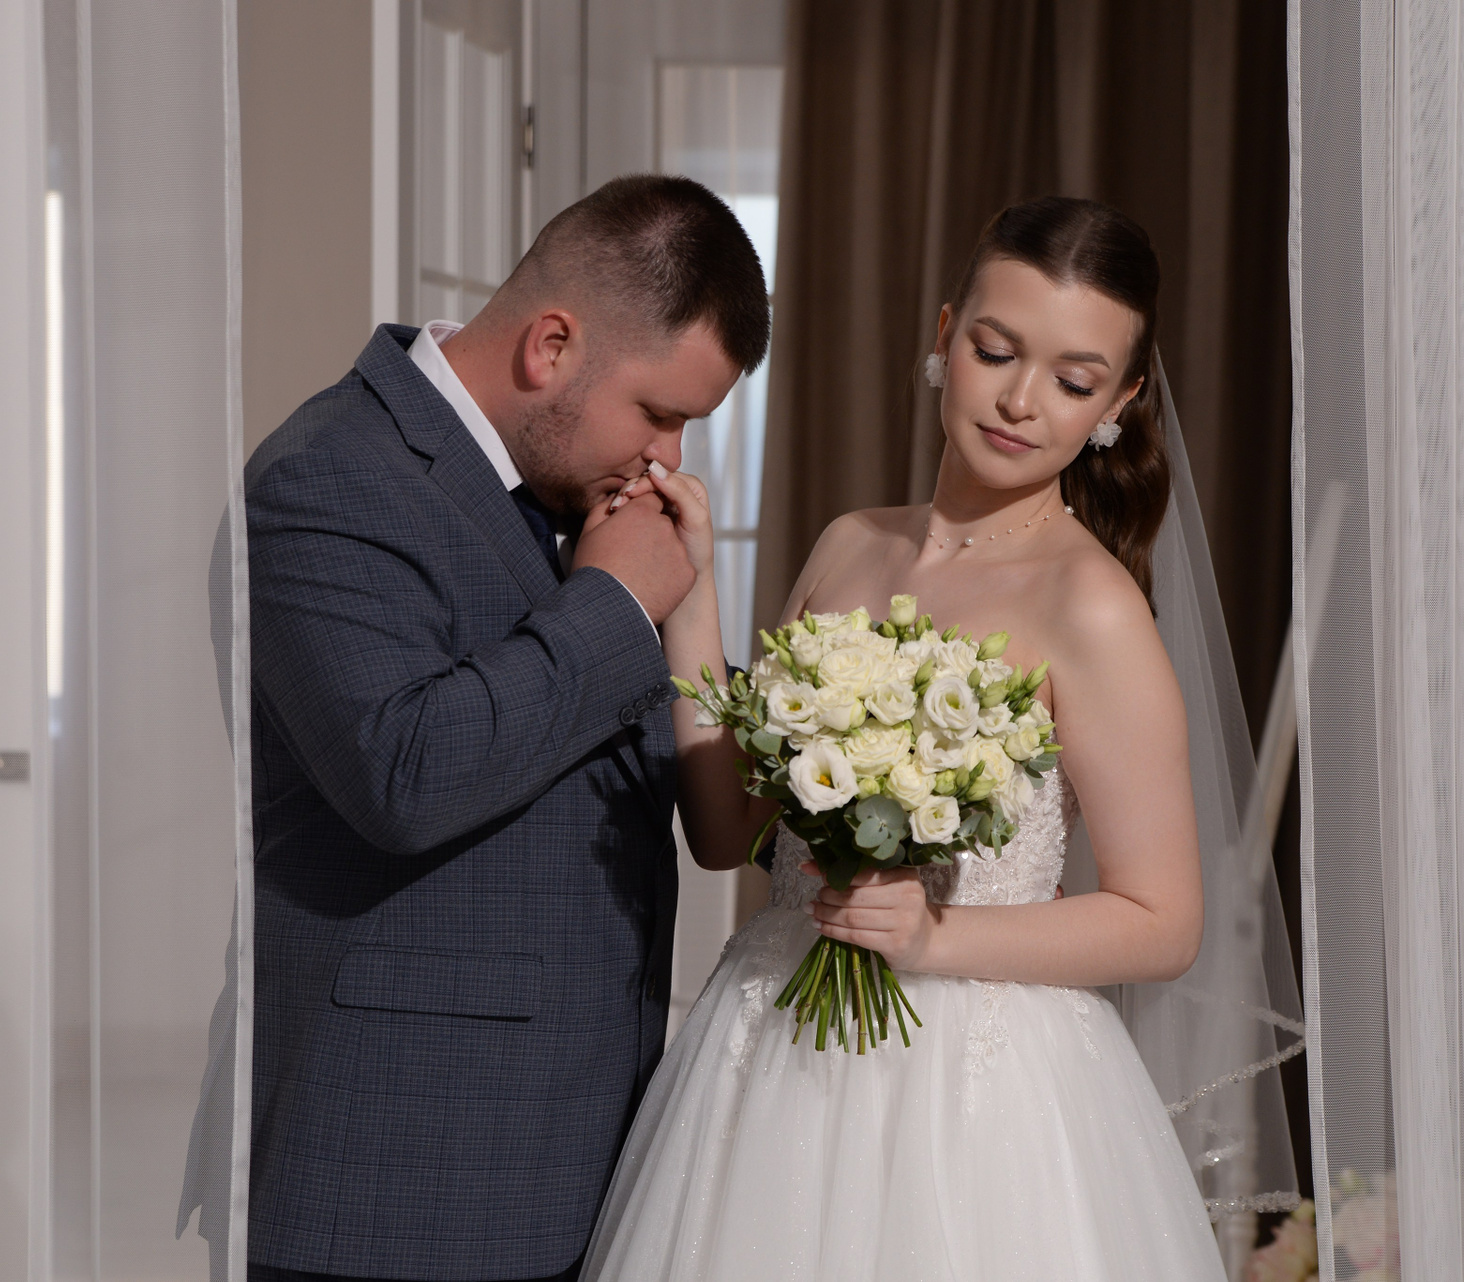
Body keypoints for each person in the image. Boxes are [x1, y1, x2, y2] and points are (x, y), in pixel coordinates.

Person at [581, 196, 1235, 1280]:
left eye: (1074, 382)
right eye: (996, 351)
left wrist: (932, 941)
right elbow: (725, 829)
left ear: (1119, 403)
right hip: (773, 1047)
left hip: (975, 1097)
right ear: (944, 336)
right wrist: (691, 598)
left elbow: (1164, 923)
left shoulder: (1092, 606)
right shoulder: (850, 545)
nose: (1021, 401)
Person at [222, 174, 769, 1282]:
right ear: (551, 346)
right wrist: (614, 602)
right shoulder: (324, 476)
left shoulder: (581, 500)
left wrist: (681, 604)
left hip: (578, 1159)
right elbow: (404, 774)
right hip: (402, 1183)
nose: (668, 456)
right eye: (659, 412)